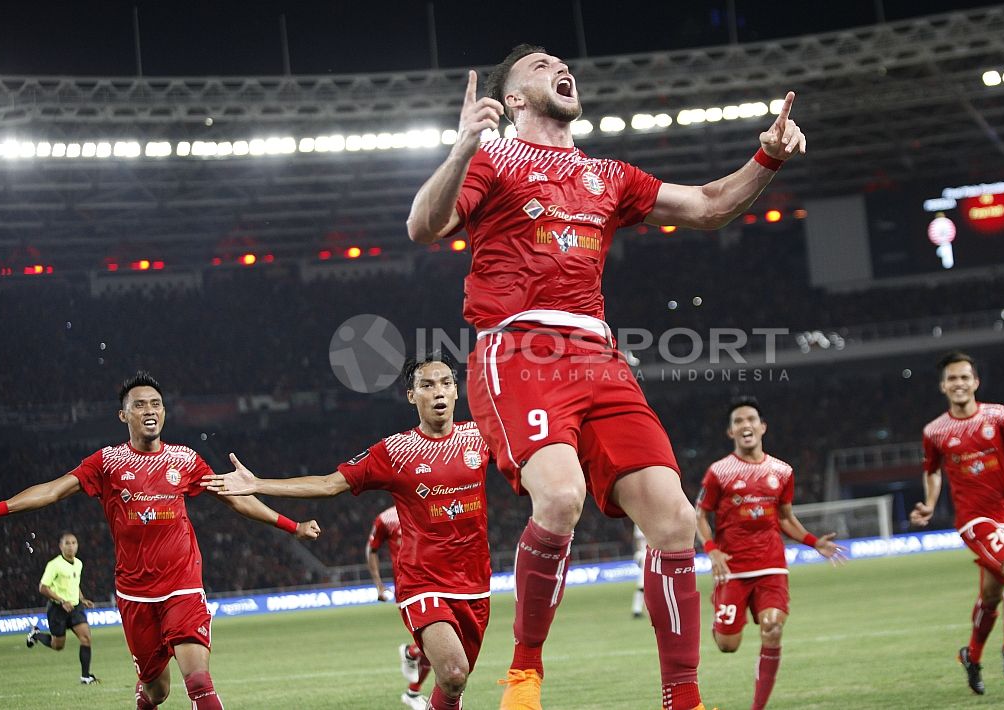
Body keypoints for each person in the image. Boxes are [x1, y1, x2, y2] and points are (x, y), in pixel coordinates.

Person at [406, 43, 805, 710]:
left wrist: (766, 158)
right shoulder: (492, 158)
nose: (560, 67)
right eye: (539, 65)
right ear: (511, 99)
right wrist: (459, 149)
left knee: (675, 519)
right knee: (560, 498)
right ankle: (525, 671)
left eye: (563, 62)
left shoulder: (609, 175)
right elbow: (425, 225)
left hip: (599, 356)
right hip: (519, 350)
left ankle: (683, 698)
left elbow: (708, 205)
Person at [0, 372, 320, 710]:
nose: (150, 410)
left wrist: (294, 526)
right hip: (135, 594)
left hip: (183, 587)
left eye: (156, 404)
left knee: (198, 682)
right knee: (157, 690)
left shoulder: (185, 459)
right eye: (140, 405)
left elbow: (237, 498)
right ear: (123, 415)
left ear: (163, 412)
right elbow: (53, 490)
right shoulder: (107, 462)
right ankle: (145, 694)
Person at [203, 354, 491, 710]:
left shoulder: (481, 437)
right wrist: (259, 483)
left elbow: (526, 459)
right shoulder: (395, 451)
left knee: (453, 686)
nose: (438, 392)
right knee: (452, 672)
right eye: (427, 385)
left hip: (476, 584)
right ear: (411, 395)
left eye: (446, 383)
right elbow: (328, 484)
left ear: (457, 391)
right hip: (423, 582)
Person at [695, 398, 846, 709]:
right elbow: (700, 514)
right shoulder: (719, 472)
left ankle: (758, 707)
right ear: (730, 432)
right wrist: (712, 551)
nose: (745, 425)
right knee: (727, 645)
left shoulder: (783, 471)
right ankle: (719, 609)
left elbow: (785, 518)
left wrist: (813, 541)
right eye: (738, 421)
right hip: (733, 568)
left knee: (773, 627)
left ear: (762, 427)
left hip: (771, 565)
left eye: (751, 419)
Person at [911, 351, 1004, 695]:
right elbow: (933, 471)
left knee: (990, 595)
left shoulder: (1000, 415)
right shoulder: (935, 431)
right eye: (952, 379)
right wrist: (929, 504)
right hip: (973, 520)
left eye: (964, 377)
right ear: (943, 386)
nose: (959, 383)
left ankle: (971, 656)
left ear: (976, 382)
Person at [368, 505, 435, 710]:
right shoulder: (386, 518)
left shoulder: (430, 508)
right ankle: (412, 658)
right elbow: (372, 549)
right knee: (436, 645)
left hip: (438, 583)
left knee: (440, 645)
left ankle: (412, 684)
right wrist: (379, 585)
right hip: (409, 589)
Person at [26, 531, 100, 684]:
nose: (71, 546)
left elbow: (75, 583)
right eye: (67, 543)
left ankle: (85, 676)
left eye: (74, 543)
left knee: (86, 638)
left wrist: (82, 598)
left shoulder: (78, 563)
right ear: (61, 546)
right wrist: (61, 601)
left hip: (75, 608)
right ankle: (36, 634)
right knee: (57, 645)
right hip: (57, 610)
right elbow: (43, 587)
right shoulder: (54, 565)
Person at [630, 523, 646, 619]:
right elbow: (638, 540)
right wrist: (639, 552)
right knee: (642, 585)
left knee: (643, 584)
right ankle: (637, 609)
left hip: (654, 553)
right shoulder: (638, 522)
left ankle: (637, 609)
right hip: (646, 554)